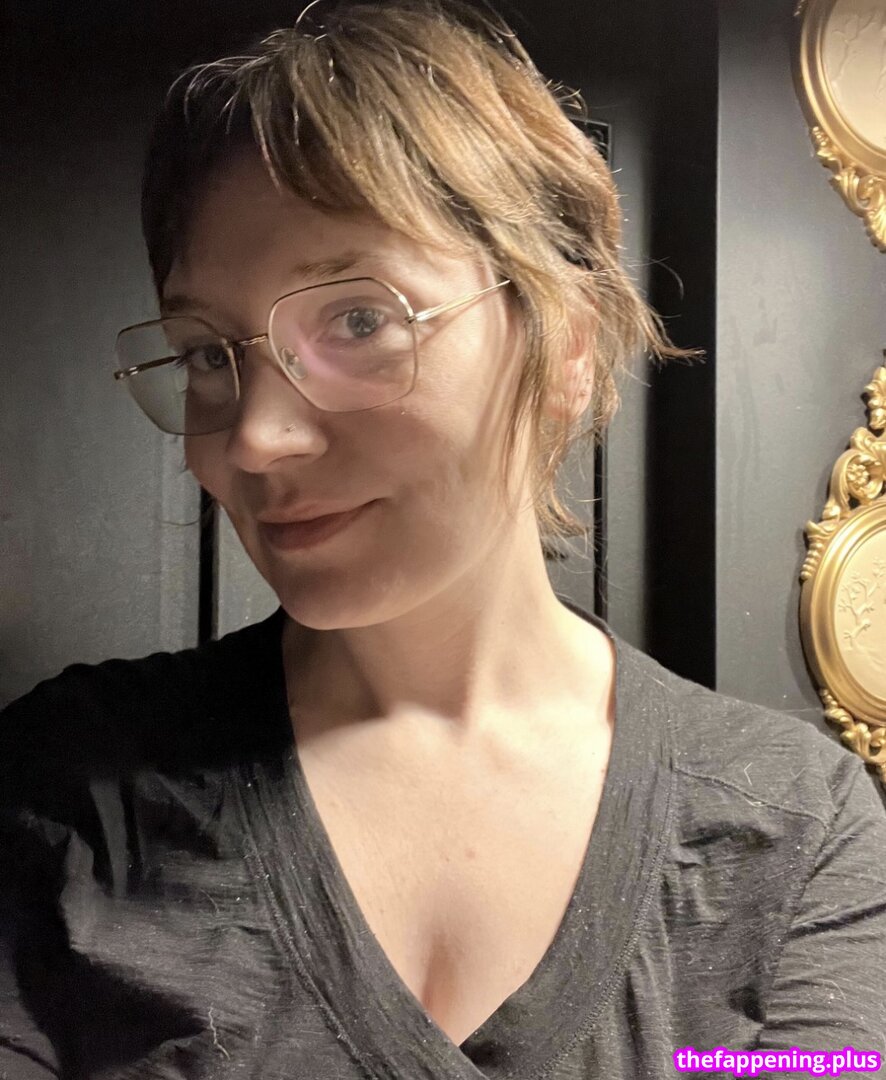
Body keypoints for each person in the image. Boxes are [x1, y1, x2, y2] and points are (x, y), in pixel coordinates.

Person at [2, 1, 885, 1077]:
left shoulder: (795, 828)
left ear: (565, 346)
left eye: (359, 320)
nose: (256, 438)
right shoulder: (72, 792)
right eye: (204, 353)